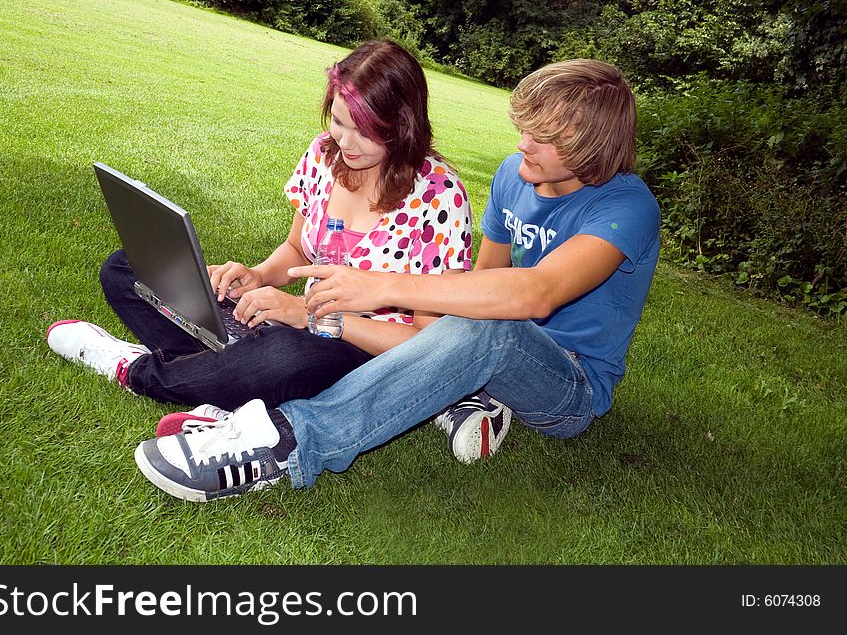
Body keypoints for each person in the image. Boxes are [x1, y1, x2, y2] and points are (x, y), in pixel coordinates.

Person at [133, 58, 662, 502]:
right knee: (477, 329)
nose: (524, 143)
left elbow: (535, 294)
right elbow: (481, 285)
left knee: (493, 330)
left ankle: (287, 445)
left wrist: (381, 288)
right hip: (494, 346)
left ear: (592, 148)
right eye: (526, 128)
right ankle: (460, 388)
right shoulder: (512, 174)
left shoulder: (628, 208)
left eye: (545, 138)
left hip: (568, 382)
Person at [46, 39, 473, 418]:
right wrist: (257, 276)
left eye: (363, 132)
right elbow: (298, 249)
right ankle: (218, 378)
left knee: (282, 360)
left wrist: (309, 318)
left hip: (355, 351)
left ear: (402, 127)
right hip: (294, 324)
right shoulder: (325, 155)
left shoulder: (440, 197)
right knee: (128, 268)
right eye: (339, 121)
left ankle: (135, 369)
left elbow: (427, 344)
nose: (344, 142)